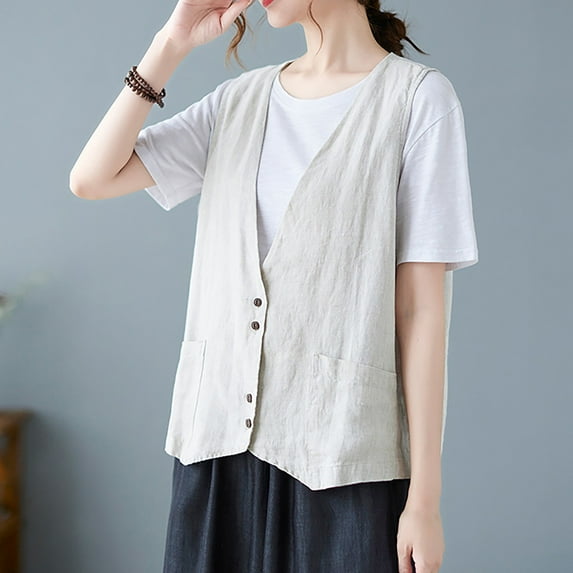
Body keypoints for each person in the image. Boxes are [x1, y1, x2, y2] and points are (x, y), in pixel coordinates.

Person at [69, 0, 479, 571]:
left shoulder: (417, 100)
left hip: (342, 459)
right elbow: (91, 178)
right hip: (216, 453)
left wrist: (424, 501)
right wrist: (171, 43)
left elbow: (420, 311)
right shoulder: (238, 102)